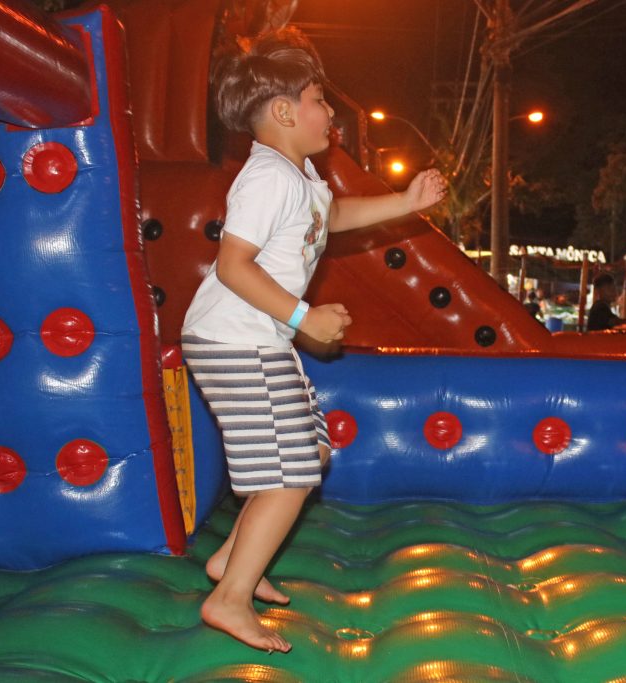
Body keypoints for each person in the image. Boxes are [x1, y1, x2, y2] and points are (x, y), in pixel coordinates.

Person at [180, 28, 446, 652]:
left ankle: (232, 560)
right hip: (233, 338)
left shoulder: (301, 177)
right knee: (290, 474)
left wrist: (405, 200)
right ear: (282, 111)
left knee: (312, 452)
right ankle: (229, 598)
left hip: (257, 338)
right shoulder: (267, 177)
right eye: (319, 100)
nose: (330, 113)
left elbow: (334, 219)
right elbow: (233, 265)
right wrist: (304, 317)